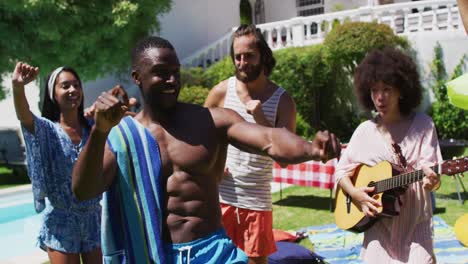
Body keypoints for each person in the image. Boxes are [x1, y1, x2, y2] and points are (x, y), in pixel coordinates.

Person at [71, 36, 340, 264]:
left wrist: (311, 148)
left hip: (212, 252)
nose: (172, 80)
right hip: (156, 255)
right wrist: (99, 132)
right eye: (162, 72)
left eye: (176, 72)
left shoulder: (211, 120)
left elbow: (270, 138)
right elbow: (83, 190)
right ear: (137, 77)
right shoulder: (124, 136)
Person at [334, 47, 442, 263]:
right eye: (374, 90)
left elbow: (433, 175)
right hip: (378, 228)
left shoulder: (423, 125)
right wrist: (355, 193)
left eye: (387, 89)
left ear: (402, 90)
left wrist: (433, 182)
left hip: (416, 225)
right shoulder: (364, 131)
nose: (380, 97)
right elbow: (341, 171)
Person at [204, 24, 296, 264]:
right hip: (220, 198)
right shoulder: (221, 92)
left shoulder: (283, 101)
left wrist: (260, 119)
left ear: (263, 56)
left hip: (256, 202)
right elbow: (200, 137)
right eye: (238, 57)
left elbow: (285, 160)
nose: (242, 62)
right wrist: (213, 163)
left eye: (249, 56)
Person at [12, 63, 103, 263]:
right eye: (65, 86)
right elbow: (24, 115)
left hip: (93, 219)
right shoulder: (48, 130)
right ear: (53, 93)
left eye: (76, 85)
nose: (73, 90)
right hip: (62, 221)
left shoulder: (94, 128)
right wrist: (18, 88)